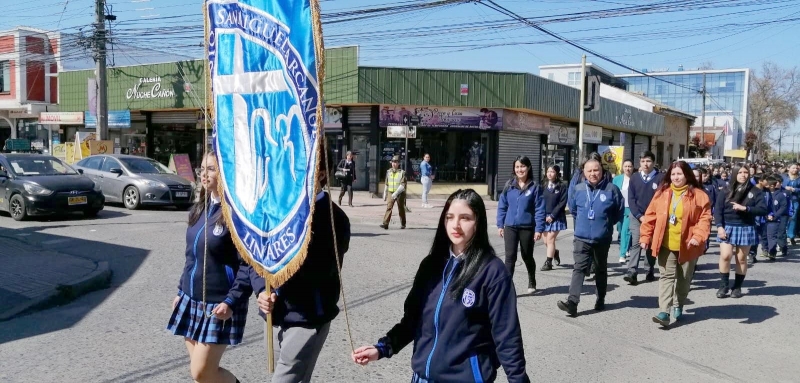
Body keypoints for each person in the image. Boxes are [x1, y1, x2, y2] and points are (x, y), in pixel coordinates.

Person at [351, 189, 530, 383]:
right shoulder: (430, 265)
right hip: (422, 378)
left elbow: (507, 337)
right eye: (450, 217)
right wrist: (382, 348)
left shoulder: (493, 272)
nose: (456, 225)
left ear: (478, 222)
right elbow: (412, 321)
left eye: (465, 218)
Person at [251, 163, 351, 383]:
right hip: (276, 312)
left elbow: (322, 273)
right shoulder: (276, 208)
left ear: (321, 174)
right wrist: (261, 289)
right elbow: (255, 257)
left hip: (307, 318)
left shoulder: (335, 219)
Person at [167, 151, 252, 383]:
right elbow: (191, 255)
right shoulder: (200, 208)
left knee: (202, 372)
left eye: (211, 169)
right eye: (202, 168)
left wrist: (232, 301)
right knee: (202, 378)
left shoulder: (236, 214)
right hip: (190, 299)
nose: (204, 174)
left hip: (219, 303)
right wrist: (180, 290)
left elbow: (247, 265)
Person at [638, 161, 712, 327]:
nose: (676, 177)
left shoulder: (699, 195)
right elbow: (650, 216)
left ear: (687, 175)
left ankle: (678, 303)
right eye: (673, 174)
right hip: (665, 244)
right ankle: (664, 311)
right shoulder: (662, 193)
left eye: (679, 174)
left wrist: (698, 236)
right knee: (666, 277)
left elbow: (705, 218)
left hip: (688, 244)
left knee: (684, 279)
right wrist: (645, 237)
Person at [558, 158, 624, 317]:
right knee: (579, 268)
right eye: (589, 171)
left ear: (601, 171)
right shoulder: (578, 189)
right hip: (581, 237)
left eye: (596, 170)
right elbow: (573, 210)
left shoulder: (612, 189)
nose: (593, 174)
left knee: (600, 269)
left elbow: (618, 211)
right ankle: (572, 302)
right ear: (584, 173)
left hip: (602, 238)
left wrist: (606, 224)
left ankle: (600, 298)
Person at [714, 166, 768, 299]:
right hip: (727, 226)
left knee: (741, 259)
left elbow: (763, 210)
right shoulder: (726, 190)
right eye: (739, 172)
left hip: (746, 227)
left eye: (745, 172)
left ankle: (737, 287)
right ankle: (723, 285)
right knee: (726, 256)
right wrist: (720, 227)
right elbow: (718, 209)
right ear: (734, 174)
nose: (743, 175)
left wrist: (746, 208)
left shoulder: (755, 191)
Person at [497, 155, 545, 293]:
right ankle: (506, 287)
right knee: (510, 257)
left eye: (522, 166)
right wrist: (500, 225)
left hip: (527, 227)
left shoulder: (535, 187)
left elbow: (540, 209)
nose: (520, 169)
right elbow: (502, 206)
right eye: (517, 167)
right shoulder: (509, 185)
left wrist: (539, 229)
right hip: (510, 226)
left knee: (527, 255)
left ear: (528, 167)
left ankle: (532, 279)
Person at [624, 151, 665, 285]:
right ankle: (632, 271)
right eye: (642, 161)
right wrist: (639, 216)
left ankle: (649, 269)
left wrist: (651, 217)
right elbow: (631, 198)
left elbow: (662, 199)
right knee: (636, 242)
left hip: (654, 218)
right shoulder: (635, 177)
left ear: (653, 162)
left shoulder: (660, 178)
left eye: (648, 161)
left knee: (649, 244)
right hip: (637, 216)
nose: (645, 164)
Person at [541, 164, 567, 271]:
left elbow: (562, 203)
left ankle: (548, 263)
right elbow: (539, 201)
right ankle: (554, 252)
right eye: (548, 171)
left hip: (556, 217)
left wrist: (552, 215)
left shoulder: (562, 186)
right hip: (543, 216)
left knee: (551, 239)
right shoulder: (542, 185)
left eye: (552, 171)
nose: (549, 173)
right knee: (546, 242)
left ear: (556, 173)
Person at [613, 160, 634, 264]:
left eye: (629, 166)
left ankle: (622, 254)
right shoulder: (617, 179)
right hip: (619, 208)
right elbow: (612, 192)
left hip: (630, 209)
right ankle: (627, 246)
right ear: (622, 167)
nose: (627, 168)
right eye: (625, 166)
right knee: (620, 230)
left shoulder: (635, 179)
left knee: (626, 230)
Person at [381, 155, 407, 230]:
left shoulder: (402, 173)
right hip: (390, 192)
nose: (394, 164)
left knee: (401, 208)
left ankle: (403, 224)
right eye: (393, 162)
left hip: (399, 193)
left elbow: (402, 185)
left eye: (396, 162)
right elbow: (386, 183)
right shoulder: (388, 172)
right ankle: (385, 223)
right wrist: (385, 193)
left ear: (398, 163)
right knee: (389, 207)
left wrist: (395, 193)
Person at [765, 175, 788, 260]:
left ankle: (773, 252)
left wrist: (774, 215)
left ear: (771, 185)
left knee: (774, 235)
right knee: (766, 236)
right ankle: (766, 249)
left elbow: (784, 206)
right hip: (765, 218)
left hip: (776, 219)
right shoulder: (764, 193)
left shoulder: (780, 195)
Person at [782, 163, 800, 245]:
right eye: (793, 168)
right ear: (788, 168)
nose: (795, 170)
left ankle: (791, 236)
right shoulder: (783, 177)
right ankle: (783, 236)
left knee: (793, 218)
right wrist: (785, 188)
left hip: (795, 200)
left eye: (796, 168)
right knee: (784, 218)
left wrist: (794, 189)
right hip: (784, 200)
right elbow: (778, 185)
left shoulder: (799, 178)